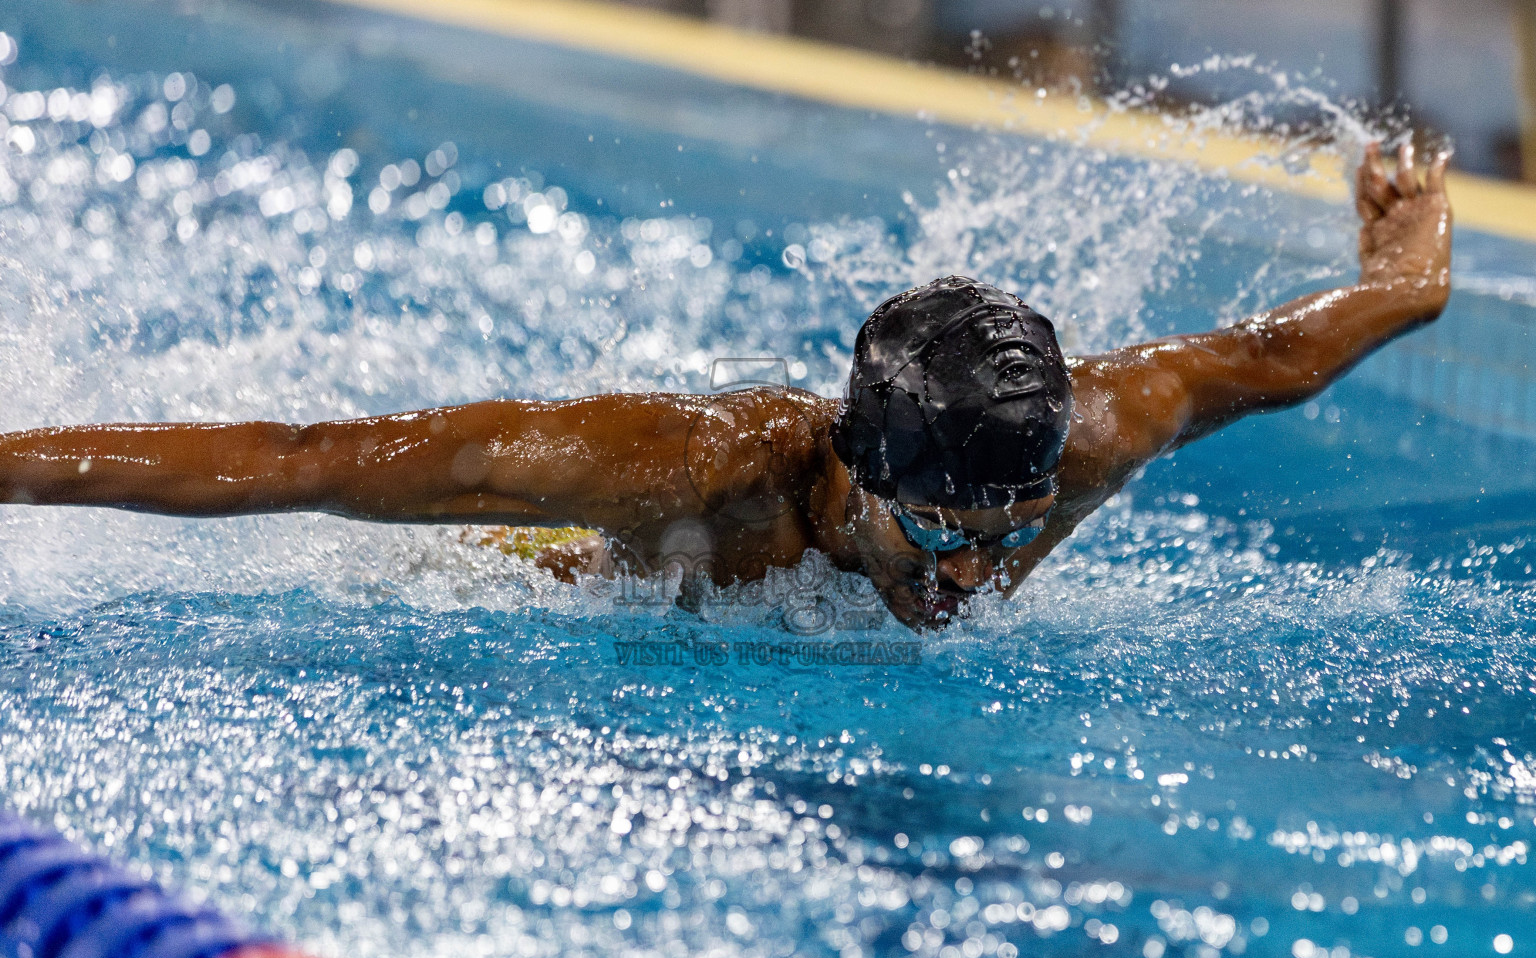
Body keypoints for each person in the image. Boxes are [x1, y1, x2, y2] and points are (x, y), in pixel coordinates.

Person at [0, 143, 1450, 630]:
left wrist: (1411, 256)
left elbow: (1277, 355)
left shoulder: (1066, 450)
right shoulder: (680, 470)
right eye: (943, 535)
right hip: (552, 587)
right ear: (853, 464)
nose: (973, 575)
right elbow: (314, 453)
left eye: (1010, 530)